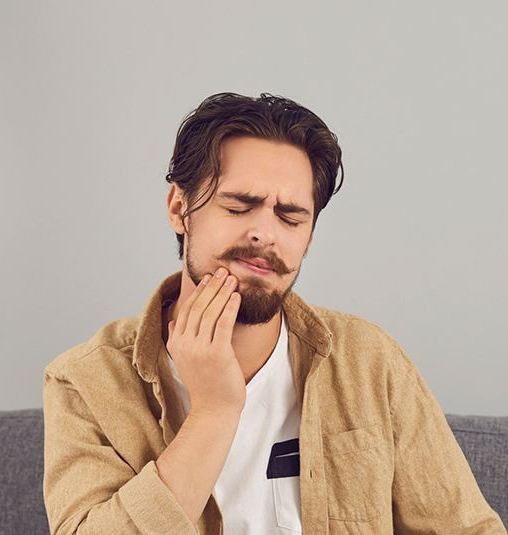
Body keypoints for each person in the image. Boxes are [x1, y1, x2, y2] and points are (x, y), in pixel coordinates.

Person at [43, 93, 506, 535]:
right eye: (239, 205)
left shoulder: (371, 362)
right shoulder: (86, 382)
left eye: (290, 217)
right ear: (180, 208)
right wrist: (214, 413)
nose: (265, 233)